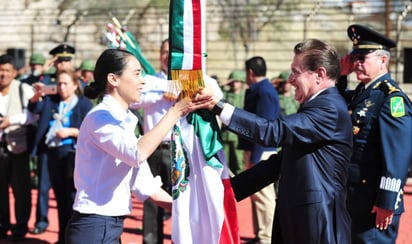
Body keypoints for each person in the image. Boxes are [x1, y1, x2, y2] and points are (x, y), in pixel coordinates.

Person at [193, 38, 353, 243]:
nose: (291, 80)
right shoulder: (317, 105)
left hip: (316, 224)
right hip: (300, 219)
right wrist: (228, 190)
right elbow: (281, 163)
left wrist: (217, 107)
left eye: (296, 72)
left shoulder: (328, 108)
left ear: (319, 74)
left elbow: (273, 131)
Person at [65, 48, 193, 244]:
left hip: (108, 227)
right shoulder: (101, 117)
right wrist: (175, 112)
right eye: (136, 74)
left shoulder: (124, 121)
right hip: (94, 226)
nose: (143, 81)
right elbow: (136, 153)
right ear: (113, 79)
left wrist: (185, 209)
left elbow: (144, 183)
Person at [339, 24, 412, 244]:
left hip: (374, 202)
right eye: (354, 58)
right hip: (354, 197)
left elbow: (397, 155)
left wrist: (387, 201)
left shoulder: (391, 98)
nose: (356, 63)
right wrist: (341, 76)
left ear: (383, 60)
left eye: (363, 57)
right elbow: (332, 105)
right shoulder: (361, 93)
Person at [29, 69, 93, 243]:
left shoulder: (84, 104)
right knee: (58, 196)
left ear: (74, 85)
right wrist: (37, 95)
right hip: (51, 153)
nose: (62, 87)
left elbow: (91, 132)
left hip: (71, 154)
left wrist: (72, 132)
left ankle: (73, 237)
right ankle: (62, 237)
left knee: (72, 197)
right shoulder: (52, 101)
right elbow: (34, 108)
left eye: (65, 83)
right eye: (59, 83)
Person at [28, 44, 77, 237]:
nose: (63, 63)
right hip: (47, 144)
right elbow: (35, 106)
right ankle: (41, 220)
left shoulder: (76, 81)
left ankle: (69, 229)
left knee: (68, 191)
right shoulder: (47, 81)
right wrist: (45, 71)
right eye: (60, 60)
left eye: (67, 60)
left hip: (69, 146)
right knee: (44, 186)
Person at [131, 38, 173, 244]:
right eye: (163, 52)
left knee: (181, 202)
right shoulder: (149, 81)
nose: (167, 56)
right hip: (153, 149)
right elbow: (134, 101)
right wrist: (161, 95)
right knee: (151, 202)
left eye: (170, 52)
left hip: (179, 150)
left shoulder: (188, 80)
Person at [237, 56, 279, 244]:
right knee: (256, 196)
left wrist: (256, 155)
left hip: (262, 151)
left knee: (265, 198)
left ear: (250, 73)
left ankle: (266, 237)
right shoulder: (261, 90)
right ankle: (259, 234)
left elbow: (266, 126)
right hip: (256, 150)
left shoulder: (265, 92)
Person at [0, 54, 37, 241]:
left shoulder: (24, 89)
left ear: (14, 72)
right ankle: (2, 225)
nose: (3, 74)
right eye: (0, 71)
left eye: (7, 71)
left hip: (18, 147)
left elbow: (35, 115)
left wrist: (11, 121)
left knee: (21, 190)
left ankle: (20, 227)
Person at [221, 70, 247, 175]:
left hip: (239, 134)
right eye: (233, 81)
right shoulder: (226, 94)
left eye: (237, 81)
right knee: (224, 162)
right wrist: (225, 83)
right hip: (226, 133)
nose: (235, 84)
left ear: (242, 82)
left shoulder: (245, 95)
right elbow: (216, 92)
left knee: (239, 163)